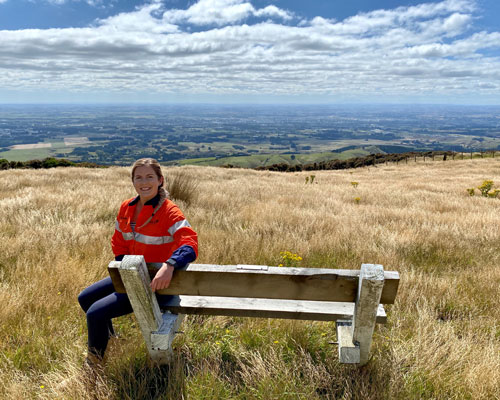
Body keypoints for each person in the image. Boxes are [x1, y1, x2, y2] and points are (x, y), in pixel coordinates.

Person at [77, 158, 198, 366]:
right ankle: (110, 342)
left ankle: (94, 367)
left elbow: (190, 243)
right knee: (85, 299)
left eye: (150, 177)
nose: (144, 182)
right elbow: (118, 242)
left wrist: (169, 265)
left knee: (95, 313)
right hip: (132, 276)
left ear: (161, 180)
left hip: (155, 284)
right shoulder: (126, 207)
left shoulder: (169, 211)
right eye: (139, 177)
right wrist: (125, 269)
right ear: (133, 181)